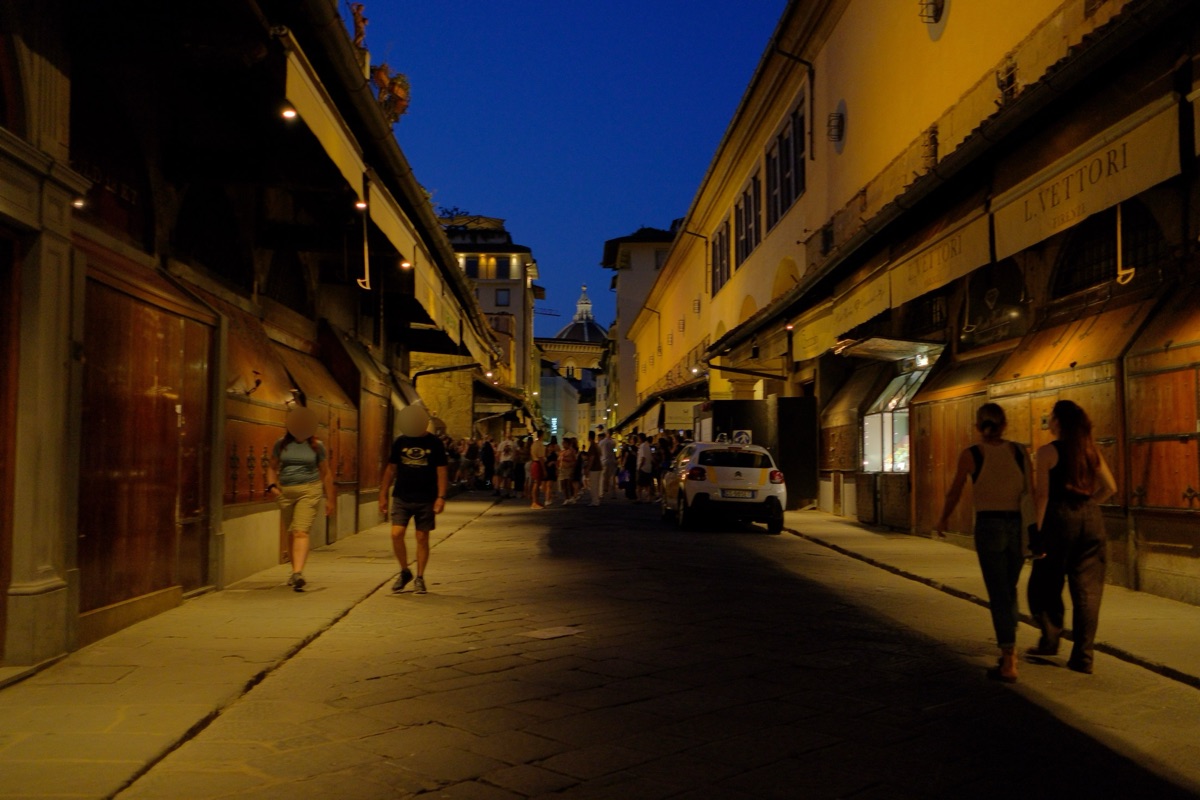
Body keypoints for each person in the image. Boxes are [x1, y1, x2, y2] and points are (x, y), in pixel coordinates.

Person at [935, 403, 1033, 683]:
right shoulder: (1020, 452)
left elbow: (955, 491)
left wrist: (943, 519)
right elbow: (1032, 492)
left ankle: (1009, 659)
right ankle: (1009, 646)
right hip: (1017, 526)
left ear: (978, 426)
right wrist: (1035, 530)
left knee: (999, 593)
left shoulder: (972, 454)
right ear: (1004, 425)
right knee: (1009, 588)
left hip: (989, 526)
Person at [1026, 400, 1117, 674]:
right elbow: (1110, 487)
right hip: (1091, 519)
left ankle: (1050, 637)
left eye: (1052, 417)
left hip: (1059, 518)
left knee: (1044, 582)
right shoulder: (1091, 451)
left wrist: (1036, 531)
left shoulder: (1047, 452)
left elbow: (1042, 496)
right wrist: (1089, 505)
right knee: (1088, 591)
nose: (1050, 421)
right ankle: (1083, 657)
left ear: (1058, 422)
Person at [379, 404, 448, 595]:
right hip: (402, 495)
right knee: (396, 534)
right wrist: (382, 493)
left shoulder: (435, 443)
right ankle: (404, 571)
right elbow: (391, 469)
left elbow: (441, 471)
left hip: (426, 497)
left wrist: (441, 497)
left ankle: (420, 577)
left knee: (422, 537)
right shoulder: (400, 442)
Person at [267, 406, 336, 592]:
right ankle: (294, 571)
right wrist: (272, 487)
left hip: (309, 490)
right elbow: (272, 466)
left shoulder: (316, 446)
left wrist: (330, 499)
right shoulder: (281, 444)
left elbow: (326, 473)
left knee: (300, 531)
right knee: (291, 532)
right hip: (285, 492)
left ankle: (298, 573)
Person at [597, 429, 617, 499]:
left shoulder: (601, 442)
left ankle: (601, 493)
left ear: (607, 433)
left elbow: (599, 452)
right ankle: (613, 493)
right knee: (612, 477)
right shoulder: (613, 442)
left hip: (603, 461)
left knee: (603, 477)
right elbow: (614, 451)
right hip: (611, 461)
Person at [529, 431, 547, 509]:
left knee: (537, 483)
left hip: (534, 463)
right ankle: (534, 502)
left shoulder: (534, 444)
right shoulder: (539, 444)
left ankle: (536, 501)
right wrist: (544, 469)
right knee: (536, 483)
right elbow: (540, 457)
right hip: (537, 463)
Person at [585, 432, 604, 506]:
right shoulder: (596, 445)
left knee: (593, 485)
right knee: (596, 484)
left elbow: (592, 458)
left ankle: (595, 501)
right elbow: (600, 454)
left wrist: (588, 467)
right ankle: (596, 500)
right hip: (598, 467)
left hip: (594, 468)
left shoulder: (592, 446)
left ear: (589, 437)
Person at [559, 437, 579, 504]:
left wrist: (566, 460)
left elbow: (574, 460)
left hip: (569, 469)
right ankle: (566, 498)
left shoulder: (571, 451)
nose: (563, 444)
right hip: (562, 469)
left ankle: (572, 497)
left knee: (569, 484)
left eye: (564, 443)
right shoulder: (562, 451)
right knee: (563, 484)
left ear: (567, 444)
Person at [636, 433, 655, 503]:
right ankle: (648, 498)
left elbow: (643, 457)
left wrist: (640, 466)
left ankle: (639, 498)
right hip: (648, 467)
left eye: (638, 438)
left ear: (640, 438)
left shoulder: (643, 446)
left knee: (639, 484)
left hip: (643, 467)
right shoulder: (647, 445)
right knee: (647, 484)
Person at [496, 433, 516, 498]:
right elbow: (517, 452)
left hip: (502, 461)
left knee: (500, 476)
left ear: (505, 437)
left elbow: (498, 454)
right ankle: (507, 492)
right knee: (508, 477)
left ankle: (498, 489)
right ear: (511, 437)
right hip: (510, 461)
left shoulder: (501, 443)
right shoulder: (514, 444)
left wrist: (498, 461)